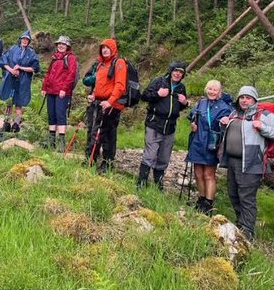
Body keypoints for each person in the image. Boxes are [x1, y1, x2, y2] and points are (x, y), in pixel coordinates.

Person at [218, 85, 274, 240]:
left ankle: (248, 231)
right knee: (233, 194)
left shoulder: (264, 115)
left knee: (247, 197)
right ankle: (240, 224)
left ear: (254, 99)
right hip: (233, 162)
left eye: (248, 97)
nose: (244, 100)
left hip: (252, 162)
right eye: (242, 97)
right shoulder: (235, 113)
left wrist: (263, 127)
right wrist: (224, 125)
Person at [137, 60, 189, 189]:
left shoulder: (182, 88)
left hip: (170, 126)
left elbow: (178, 108)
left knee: (164, 157)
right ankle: (141, 183)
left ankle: (158, 183)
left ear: (183, 75)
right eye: (176, 71)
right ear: (171, 71)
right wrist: (158, 94)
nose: (177, 74)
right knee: (150, 154)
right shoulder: (159, 82)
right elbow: (144, 96)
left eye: (180, 72)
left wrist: (185, 103)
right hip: (155, 123)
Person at [185, 79, 233, 214]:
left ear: (219, 92)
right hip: (197, 141)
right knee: (198, 173)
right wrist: (193, 125)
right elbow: (192, 117)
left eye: (215, 90)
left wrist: (225, 122)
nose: (212, 92)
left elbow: (228, 125)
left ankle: (209, 203)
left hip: (212, 143)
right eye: (210, 89)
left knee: (208, 174)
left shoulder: (224, 107)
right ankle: (201, 199)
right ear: (206, 89)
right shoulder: (201, 103)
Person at [85, 37, 128, 172]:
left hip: (112, 105)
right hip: (99, 103)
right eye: (102, 48)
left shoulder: (119, 63)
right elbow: (100, 85)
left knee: (107, 135)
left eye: (107, 48)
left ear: (113, 49)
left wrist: (110, 101)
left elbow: (120, 85)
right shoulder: (100, 65)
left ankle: (107, 163)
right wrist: (94, 95)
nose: (104, 50)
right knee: (95, 132)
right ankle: (91, 159)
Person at [0, 29, 40, 132]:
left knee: (19, 103)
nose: (24, 41)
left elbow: (34, 68)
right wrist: (11, 70)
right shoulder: (12, 49)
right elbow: (3, 62)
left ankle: (16, 124)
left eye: (27, 39)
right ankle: (6, 123)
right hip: (10, 79)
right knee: (9, 101)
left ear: (29, 41)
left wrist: (20, 68)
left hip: (23, 81)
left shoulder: (32, 53)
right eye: (23, 39)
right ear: (20, 39)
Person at [41, 36, 78, 148]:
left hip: (62, 92)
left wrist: (64, 88)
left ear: (67, 46)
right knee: (51, 115)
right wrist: (44, 87)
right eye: (59, 44)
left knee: (60, 115)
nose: (61, 46)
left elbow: (71, 74)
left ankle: (61, 144)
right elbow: (48, 73)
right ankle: (51, 142)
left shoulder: (71, 58)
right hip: (50, 90)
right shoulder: (55, 57)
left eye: (63, 44)